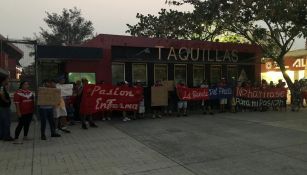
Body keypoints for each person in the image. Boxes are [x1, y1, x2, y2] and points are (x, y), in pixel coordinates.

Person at [0, 75, 14, 141]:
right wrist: (6, 100)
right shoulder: (2, 87)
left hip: (2, 107)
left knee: (2, 122)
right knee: (6, 122)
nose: (8, 80)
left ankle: (2, 136)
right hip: (4, 107)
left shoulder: (3, 87)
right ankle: (6, 136)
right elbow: (1, 94)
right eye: (7, 79)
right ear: (4, 80)